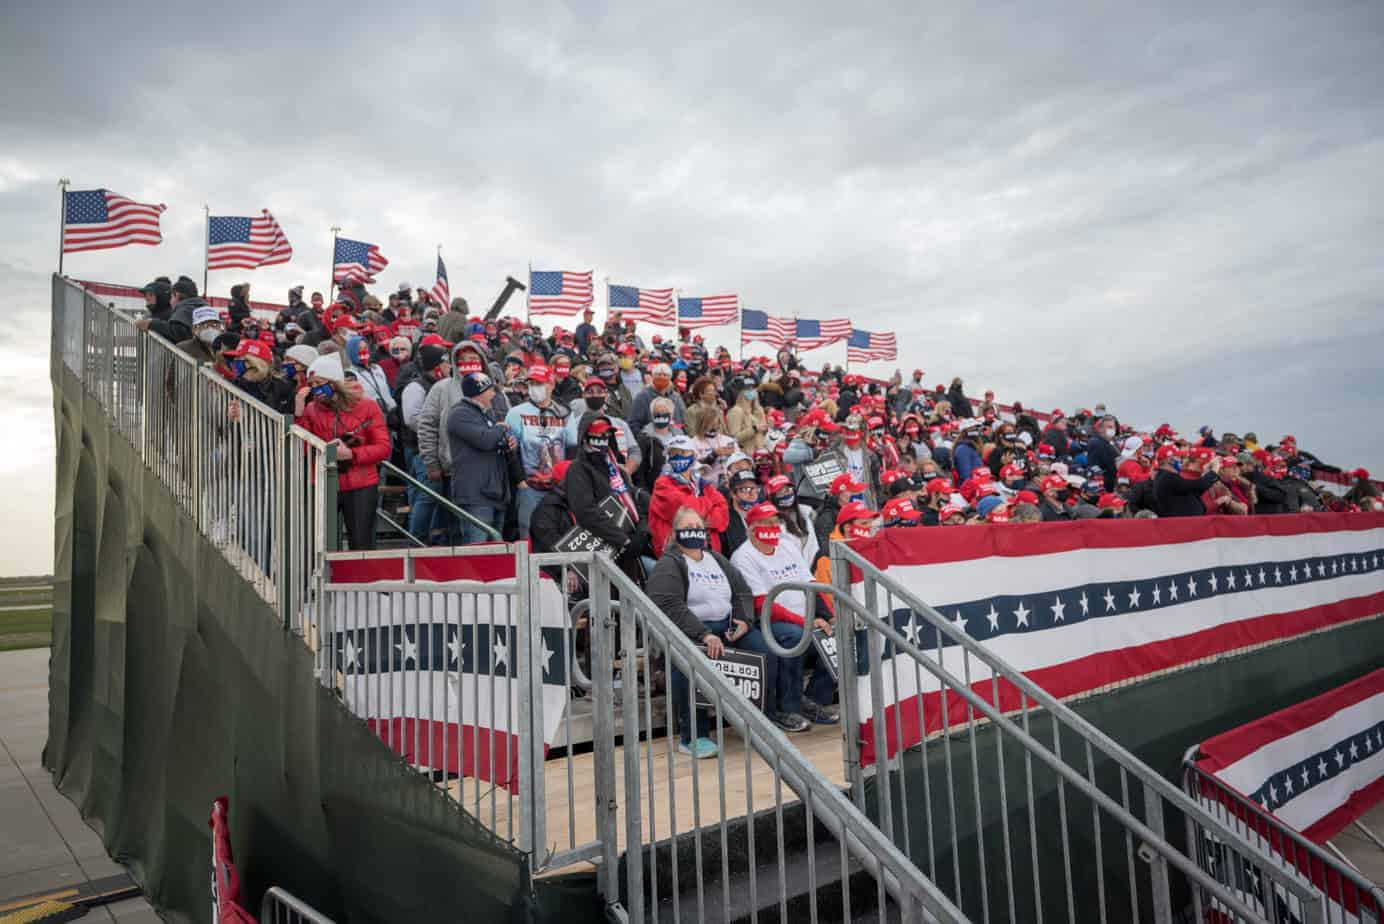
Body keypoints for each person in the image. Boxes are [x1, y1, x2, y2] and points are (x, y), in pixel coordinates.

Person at [647, 507, 779, 757]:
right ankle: (693, 736)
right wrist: (704, 633)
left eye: (698, 526)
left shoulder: (716, 558)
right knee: (690, 664)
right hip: (690, 632)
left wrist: (742, 620)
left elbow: (742, 591)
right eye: (687, 527)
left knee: (765, 651)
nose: (694, 531)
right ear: (675, 533)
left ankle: (762, 722)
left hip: (727, 626)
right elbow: (668, 605)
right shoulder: (669, 564)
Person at [730, 503, 836, 730]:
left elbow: (811, 583)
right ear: (752, 527)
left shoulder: (787, 546)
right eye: (767, 523)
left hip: (803, 616)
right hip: (769, 620)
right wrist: (807, 623)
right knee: (795, 637)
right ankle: (787, 708)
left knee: (837, 633)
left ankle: (812, 699)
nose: (773, 527)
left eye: (776, 522)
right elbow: (762, 605)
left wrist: (829, 615)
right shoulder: (743, 556)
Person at [296, 355, 392, 550]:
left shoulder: (367, 406)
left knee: (360, 542)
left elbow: (383, 447)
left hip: (361, 483)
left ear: (334, 382)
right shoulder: (311, 409)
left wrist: (352, 455)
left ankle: (360, 580)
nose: (315, 388)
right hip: (324, 482)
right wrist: (298, 414)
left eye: (319, 383)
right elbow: (302, 447)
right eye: (311, 384)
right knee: (319, 543)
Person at [446, 372, 516, 544]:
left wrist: (508, 443)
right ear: (480, 392)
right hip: (475, 495)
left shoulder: (485, 414)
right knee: (477, 550)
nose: (493, 394)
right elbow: (485, 440)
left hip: (494, 492)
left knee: (495, 552)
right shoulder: (459, 414)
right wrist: (501, 429)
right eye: (490, 390)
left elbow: (492, 441)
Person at [504, 365, 574, 538]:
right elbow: (509, 449)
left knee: (560, 532)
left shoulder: (564, 413)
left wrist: (568, 483)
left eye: (539, 383)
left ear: (550, 384)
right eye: (532, 383)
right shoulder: (515, 413)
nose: (535, 388)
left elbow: (572, 447)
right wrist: (520, 480)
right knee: (527, 532)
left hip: (558, 487)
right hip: (530, 486)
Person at [649, 436, 730, 557]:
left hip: (708, 554)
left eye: (683, 452)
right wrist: (708, 507)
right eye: (673, 453)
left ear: (694, 456)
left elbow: (723, 515)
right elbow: (687, 512)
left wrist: (703, 518)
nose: (678, 456)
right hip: (677, 554)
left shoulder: (702, 484)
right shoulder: (662, 483)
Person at [1153, 446, 1222, 518]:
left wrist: (1208, 473)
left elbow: (1194, 490)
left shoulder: (1165, 476)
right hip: (1181, 523)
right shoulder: (1168, 477)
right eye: (1180, 457)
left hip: (1185, 522)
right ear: (1170, 460)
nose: (1182, 460)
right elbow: (1199, 485)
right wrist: (1214, 470)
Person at [628, 362, 687, 434]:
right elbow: (634, 423)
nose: (662, 377)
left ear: (670, 378)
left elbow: (684, 420)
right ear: (653, 377)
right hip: (651, 439)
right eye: (658, 374)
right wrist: (644, 439)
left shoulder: (676, 397)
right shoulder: (643, 396)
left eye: (665, 375)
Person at [726, 381, 768, 454]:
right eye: (748, 389)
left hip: (759, 454)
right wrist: (754, 429)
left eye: (753, 389)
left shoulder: (757, 410)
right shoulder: (736, 411)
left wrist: (765, 429)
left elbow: (761, 434)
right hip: (745, 454)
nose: (752, 392)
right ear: (741, 392)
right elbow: (734, 438)